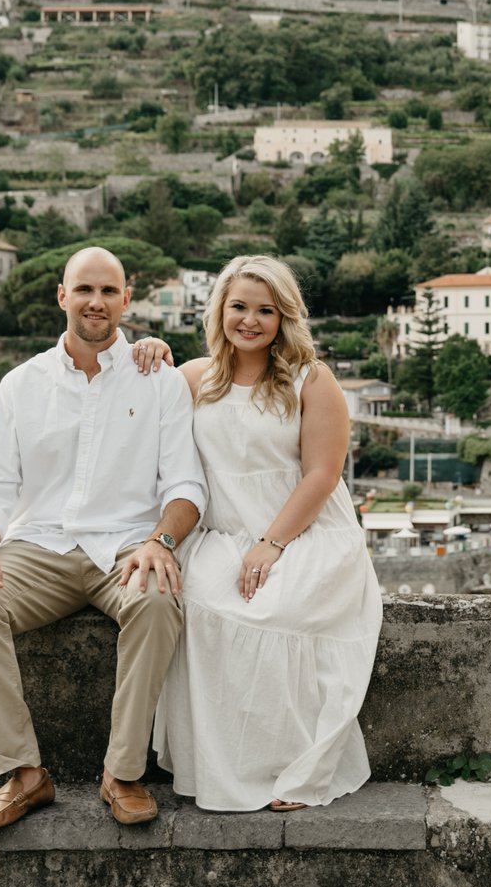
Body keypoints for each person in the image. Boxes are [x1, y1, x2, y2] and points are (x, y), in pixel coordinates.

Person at [0, 246, 206, 830]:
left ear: (126, 301)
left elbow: (186, 483)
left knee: (160, 602)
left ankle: (123, 773)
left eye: (109, 291)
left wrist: (161, 541)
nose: (96, 302)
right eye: (84, 289)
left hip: (125, 547)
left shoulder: (159, 380)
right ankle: (23, 774)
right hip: (40, 548)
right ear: (62, 296)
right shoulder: (21, 384)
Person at [152, 254, 382, 812]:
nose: (250, 320)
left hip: (302, 532)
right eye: (239, 307)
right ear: (220, 311)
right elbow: (127, 406)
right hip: (220, 532)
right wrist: (147, 350)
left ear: (284, 317)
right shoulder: (190, 378)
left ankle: (293, 770)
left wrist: (272, 543)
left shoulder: (312, 378)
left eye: (266, 310)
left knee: (279, 610)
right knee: (201, 607)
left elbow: (323, 475)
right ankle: (224, 770)